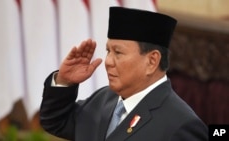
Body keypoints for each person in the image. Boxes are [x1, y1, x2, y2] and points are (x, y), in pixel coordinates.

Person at [40, 7, 208, 141]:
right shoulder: (103, 99)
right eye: (108, 51)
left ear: (152, 61)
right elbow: (56, 121)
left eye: (118, 53)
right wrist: (64, 81)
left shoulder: (181, 124)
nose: (108, 61)